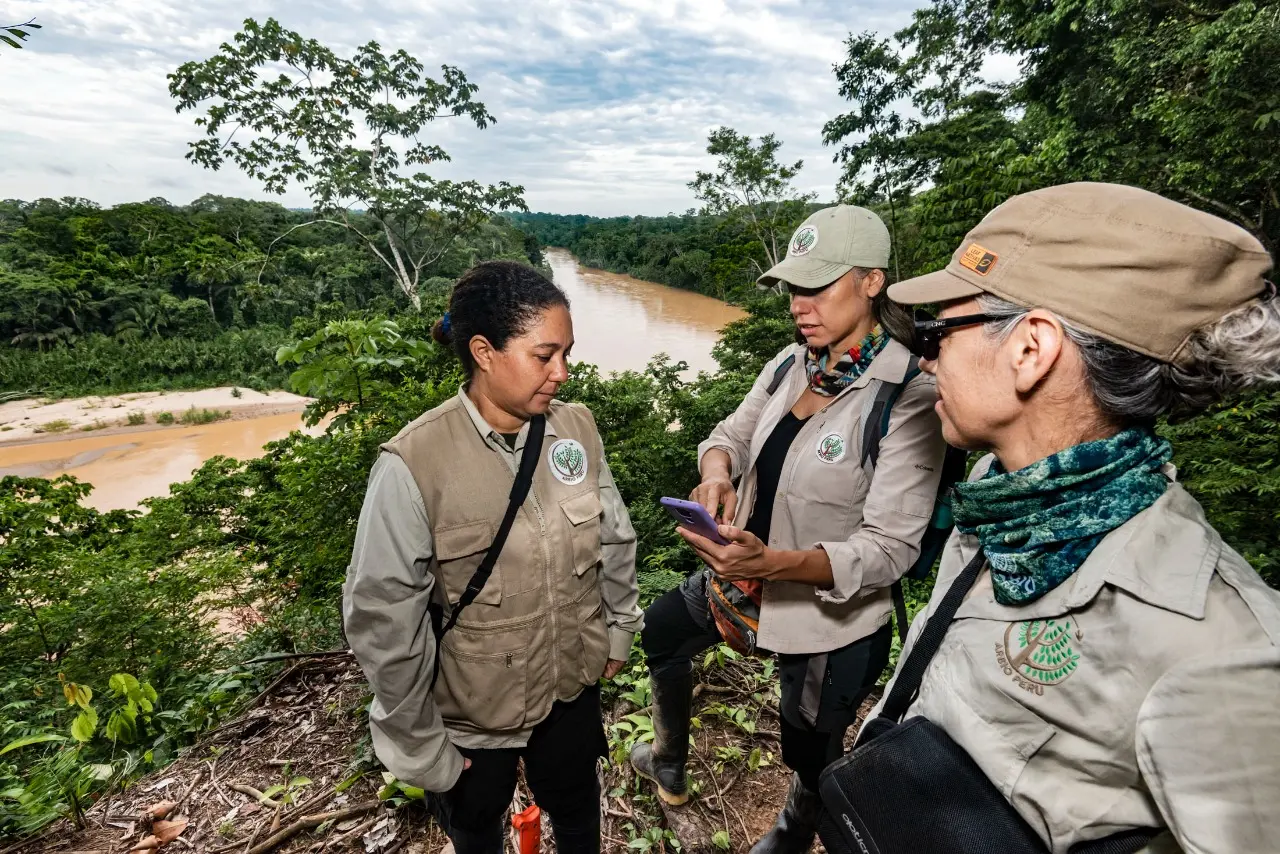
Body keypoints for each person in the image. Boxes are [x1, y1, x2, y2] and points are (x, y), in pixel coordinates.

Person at [870, 182, 1280, 852]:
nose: (925, 357)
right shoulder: (999, 499)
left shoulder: (1222, 654)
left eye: (939, 332)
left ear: (1031, 349)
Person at [631, 206, 949, 853]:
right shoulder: (790, 364)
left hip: (831, 623)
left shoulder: (907, 396)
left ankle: (795, 829)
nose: (800, 305)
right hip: (743, 582)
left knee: (808, 748)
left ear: (871, 282)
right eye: (793, 289)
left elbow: (889, 548)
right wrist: (717, 474)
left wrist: (774, 562)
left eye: (819, 286)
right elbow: (731, 435)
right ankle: (666, 761)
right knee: (663, 632)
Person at [343, 261, 643, 854]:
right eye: (544, 355)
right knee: (477, 831)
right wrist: (423, 746)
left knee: (579, 815)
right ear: (483, 351)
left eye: (567, 353)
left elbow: (614, 536)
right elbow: (385, 623)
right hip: (473, 715)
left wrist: (619, 630)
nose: (562, 372)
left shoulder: (575, 430)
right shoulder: (414, 464)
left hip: (569, 691)